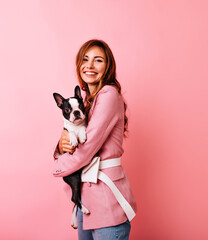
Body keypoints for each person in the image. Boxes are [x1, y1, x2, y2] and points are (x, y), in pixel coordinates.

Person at [53, 39, 137, 240]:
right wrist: (60, 144)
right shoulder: (84, 99)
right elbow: (70, 139)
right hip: (86, 202)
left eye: (98, 60)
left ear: (108, 66)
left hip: (106, 201)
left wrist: (57, 164)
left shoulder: (108, 95)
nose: (89, 65)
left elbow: (86, 148)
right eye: (85, 59)